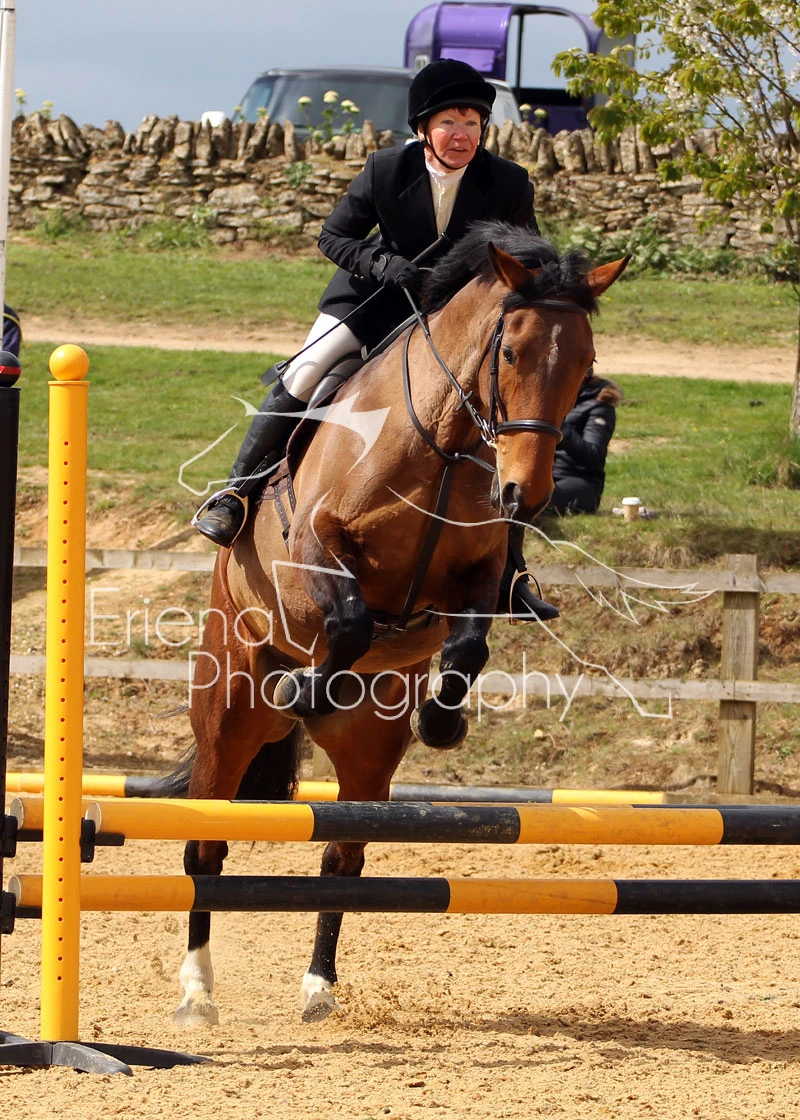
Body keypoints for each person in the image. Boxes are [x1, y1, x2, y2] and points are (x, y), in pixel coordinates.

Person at [194, 58, 558, 621]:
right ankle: (235, 493)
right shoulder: (386, 169)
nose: (461, 135)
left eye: (472, 123)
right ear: (423, 129)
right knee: (307, 371)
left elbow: (527, 261)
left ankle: (510, 569)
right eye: (449, 122)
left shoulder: (508, 182)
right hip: (375, 300)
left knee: (501, 415)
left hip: (455, 321)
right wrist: (381, 263)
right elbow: (334, 235)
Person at [547, 367, 622, 516]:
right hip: (546, 475)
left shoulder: (600, 404)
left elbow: (593, 454)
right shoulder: (555, 398)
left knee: (538, 499)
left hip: (582, 482)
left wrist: (560, 428)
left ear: (584, 373)